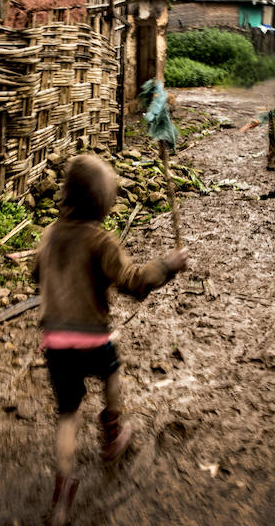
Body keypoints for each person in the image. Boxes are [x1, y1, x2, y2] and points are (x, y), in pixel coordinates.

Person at [32, 155, 188, 526]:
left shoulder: (50, 234)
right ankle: (112, 435)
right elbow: (134, 280)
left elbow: (35, 271)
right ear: (103, 203)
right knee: (112, 375)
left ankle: (61, 496)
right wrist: (167, 265)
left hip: (55, 341)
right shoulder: (101, 241)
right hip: (91, 338)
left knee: (67, 414)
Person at [240, 91, 275, 171]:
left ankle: (270, 164)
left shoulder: (272, 112)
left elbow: (268, 121)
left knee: (272, 149)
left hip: (271, 134)